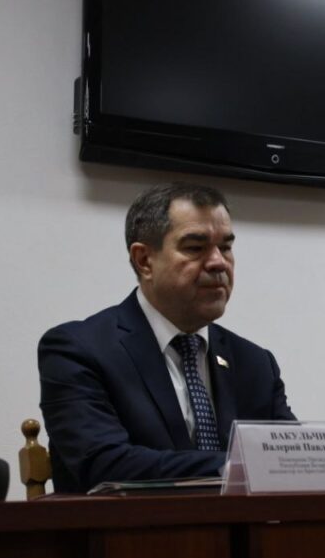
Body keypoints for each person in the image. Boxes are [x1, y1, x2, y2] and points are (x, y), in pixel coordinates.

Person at [38, 183, 296, 492]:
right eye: (195, 248)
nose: (218, 262)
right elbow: (104, 464)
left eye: (226, 247)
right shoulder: (78, 350)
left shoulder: (255, 363)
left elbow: (290, 459)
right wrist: (238, 466)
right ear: (144, 260)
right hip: (128, 523)